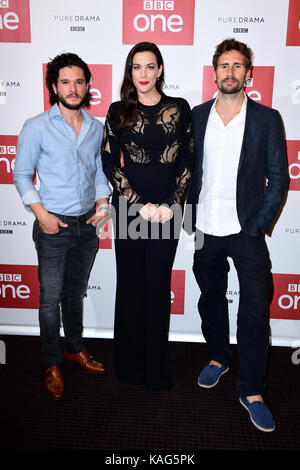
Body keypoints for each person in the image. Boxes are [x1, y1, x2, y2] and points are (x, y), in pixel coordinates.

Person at [187, 38, 288, 431]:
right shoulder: (196, 116)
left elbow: (278, 178)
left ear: (249, 74)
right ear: (214, 73)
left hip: (245, 231)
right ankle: (218, 357)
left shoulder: (266, 118)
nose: (230, 72)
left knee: (253, 311)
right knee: (211, 298)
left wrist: (258, 223)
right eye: (224, 66)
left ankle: (252, 389)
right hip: (205, 228)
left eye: (238, 66)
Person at [14, 53, 111, 400]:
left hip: (86, 226)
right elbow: (22, 175)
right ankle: (51, 362)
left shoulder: (96, 127)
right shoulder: (36, 126)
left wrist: (103, 203)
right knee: (49, 299)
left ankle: (75, 349)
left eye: (79, 81)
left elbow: (100, 172)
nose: (73, 88)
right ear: (54, 86)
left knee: (75, 294)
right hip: (52, 225)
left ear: (87, 86)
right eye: (65, 82)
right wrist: (41, 213)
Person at [101, 42, 193, 390]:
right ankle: (128, 365)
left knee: (157, 288)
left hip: (168, 213)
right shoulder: (117, 110)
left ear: (159, 70)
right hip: (129, 210)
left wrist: (171, 203)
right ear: (130, 72)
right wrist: (140, 204)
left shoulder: (180, 108)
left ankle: (154, 366)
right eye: (136, 67)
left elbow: (188, 160)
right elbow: (109, 162)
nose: (143, 74)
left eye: (149, 66)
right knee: (130, 287)